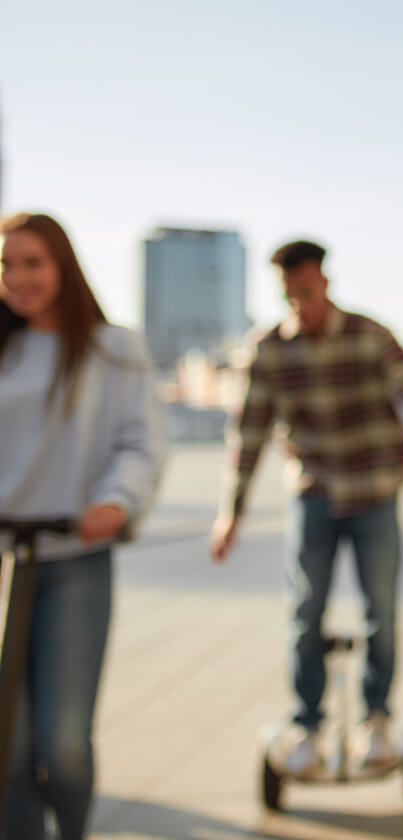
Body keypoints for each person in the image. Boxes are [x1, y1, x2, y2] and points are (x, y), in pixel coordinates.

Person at [209, 240, 403, 775]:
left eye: (308, 292)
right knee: (304, 612)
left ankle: (378, 718)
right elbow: (247, 434)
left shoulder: (370, 337)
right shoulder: (269, 349)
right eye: (289, 296)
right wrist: (231, 513)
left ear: (324, 282)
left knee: (379, 612)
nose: (301, 304)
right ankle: (306, 723)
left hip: (374, 494)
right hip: (312, 495)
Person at [0, 212, 166, 840]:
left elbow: (139, 442)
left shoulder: (112, 349)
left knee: (63, 746)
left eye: (32, 262)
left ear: (63, 266)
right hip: (2, 562)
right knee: (7, 751)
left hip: (74, 558)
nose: (17, 277)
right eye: (5, 264)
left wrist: (117, 502)